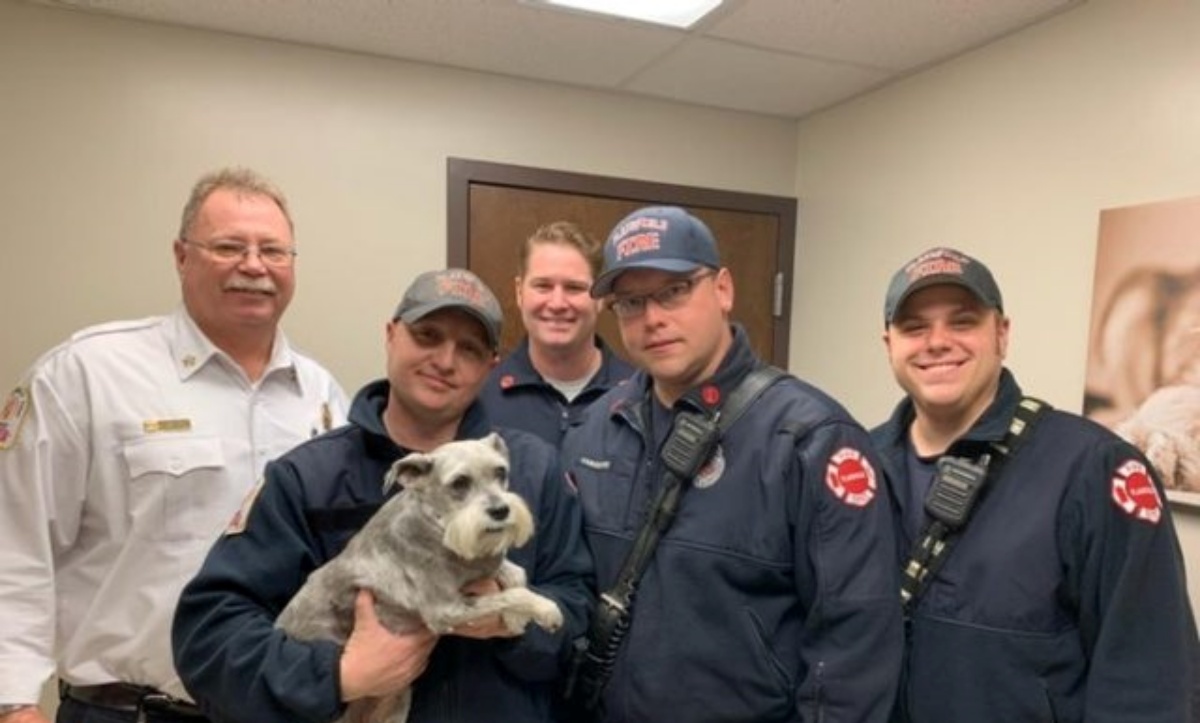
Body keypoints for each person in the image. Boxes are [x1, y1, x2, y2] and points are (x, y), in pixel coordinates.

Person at [0, 167, 348, 723]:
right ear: (182, 256)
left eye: (274, 251)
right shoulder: (90, 374)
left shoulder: (323, 398)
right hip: (133, 710)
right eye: (229, 246)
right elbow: (15, 546)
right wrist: (13, 702)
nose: (254, 266)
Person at [171, 269, 593, 723]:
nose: (446, 360)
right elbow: (211, 636)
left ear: (491, 365)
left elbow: (576, 610)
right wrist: (338, 675)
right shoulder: (307, 477)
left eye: (469, 348)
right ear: (392, 335)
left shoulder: (534, 470)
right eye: (427, 335)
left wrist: (513, 628)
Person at [560, 206, 902, 722]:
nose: (653, 318)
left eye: (675, 290)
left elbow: (855, 643)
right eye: (631, 302)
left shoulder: (811, 439)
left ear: (722, 290)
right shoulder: (596, 430)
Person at [873, 246, 1199, 722]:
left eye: (962, 322)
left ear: (1002, 334)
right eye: (915, 327)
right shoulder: (856, 464)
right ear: (889, 345)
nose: (937, 342)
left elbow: (1151, 679)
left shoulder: (1096, 469)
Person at [478, 221, 633, 447]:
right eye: (543, 286)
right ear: (520, 292)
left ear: (600, 298)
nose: (557, 303)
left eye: (574, 288)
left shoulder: (639, 397)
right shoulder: (480, 398)